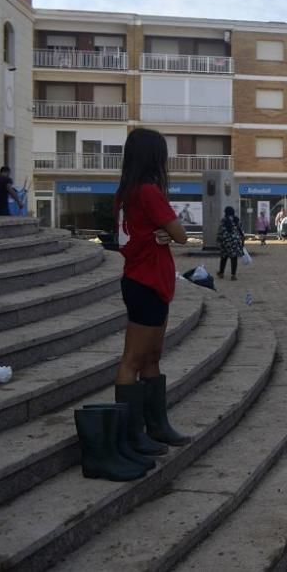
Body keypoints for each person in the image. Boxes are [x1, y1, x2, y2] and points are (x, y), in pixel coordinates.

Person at [86, 128, 189, 483]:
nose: (165, 161)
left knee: (152, 358)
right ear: (152, 157)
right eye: (162, 154)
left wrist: (160, 234)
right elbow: (181, 234)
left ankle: (155, 428)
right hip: (146, 283)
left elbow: (156, 233)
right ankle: (132, 435)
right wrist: (167, 233)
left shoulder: (128, 192)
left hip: (148, 282)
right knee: (133, 359)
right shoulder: (148, 191)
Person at [217, 207, 245, 280]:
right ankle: (233, 275)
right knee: (234, 258)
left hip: (226, 241)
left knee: (224, 257)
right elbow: (241, 231)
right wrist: (242, 241)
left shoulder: (224, 220)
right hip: (235, 241)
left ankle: (221, 273)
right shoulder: (236, 220)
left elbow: (220, 231)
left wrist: (218, 241)